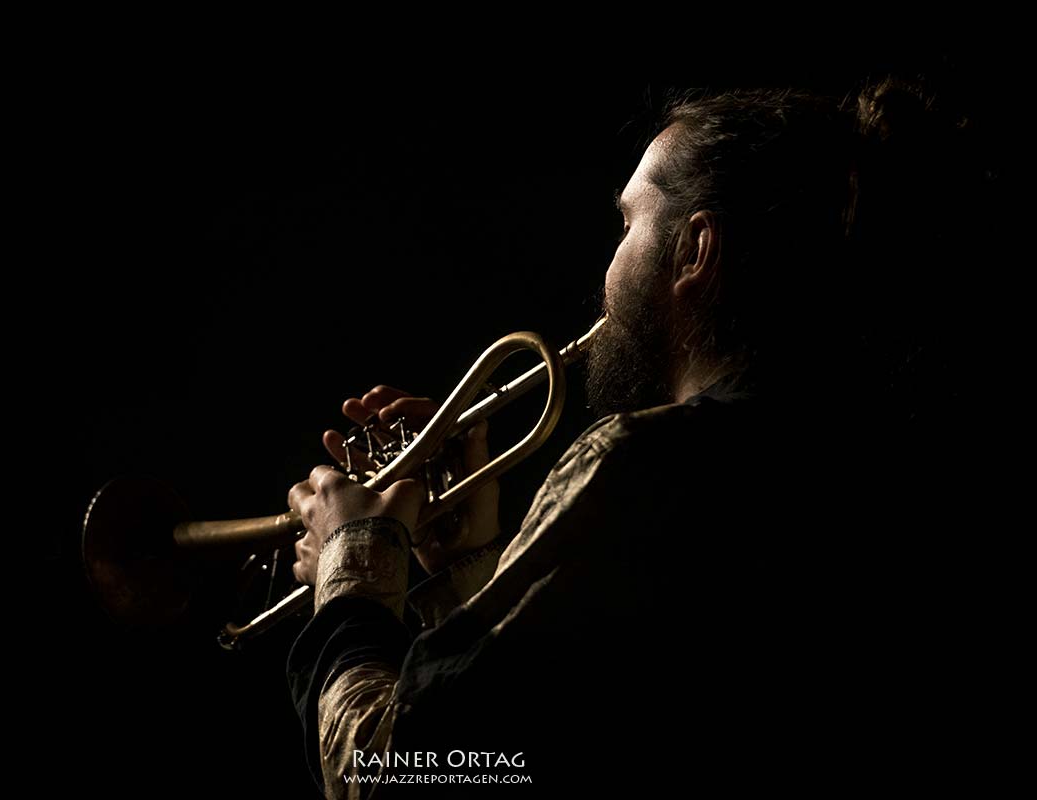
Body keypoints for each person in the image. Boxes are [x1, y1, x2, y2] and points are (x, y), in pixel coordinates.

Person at [284, 79, 986, 796]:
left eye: (628, 224)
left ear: (695, 250)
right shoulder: (863, 467)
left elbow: (397, 770)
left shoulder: (642, 464)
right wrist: (465, 566)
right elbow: (549, 738)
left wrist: (353, 566)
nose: (609, 265)